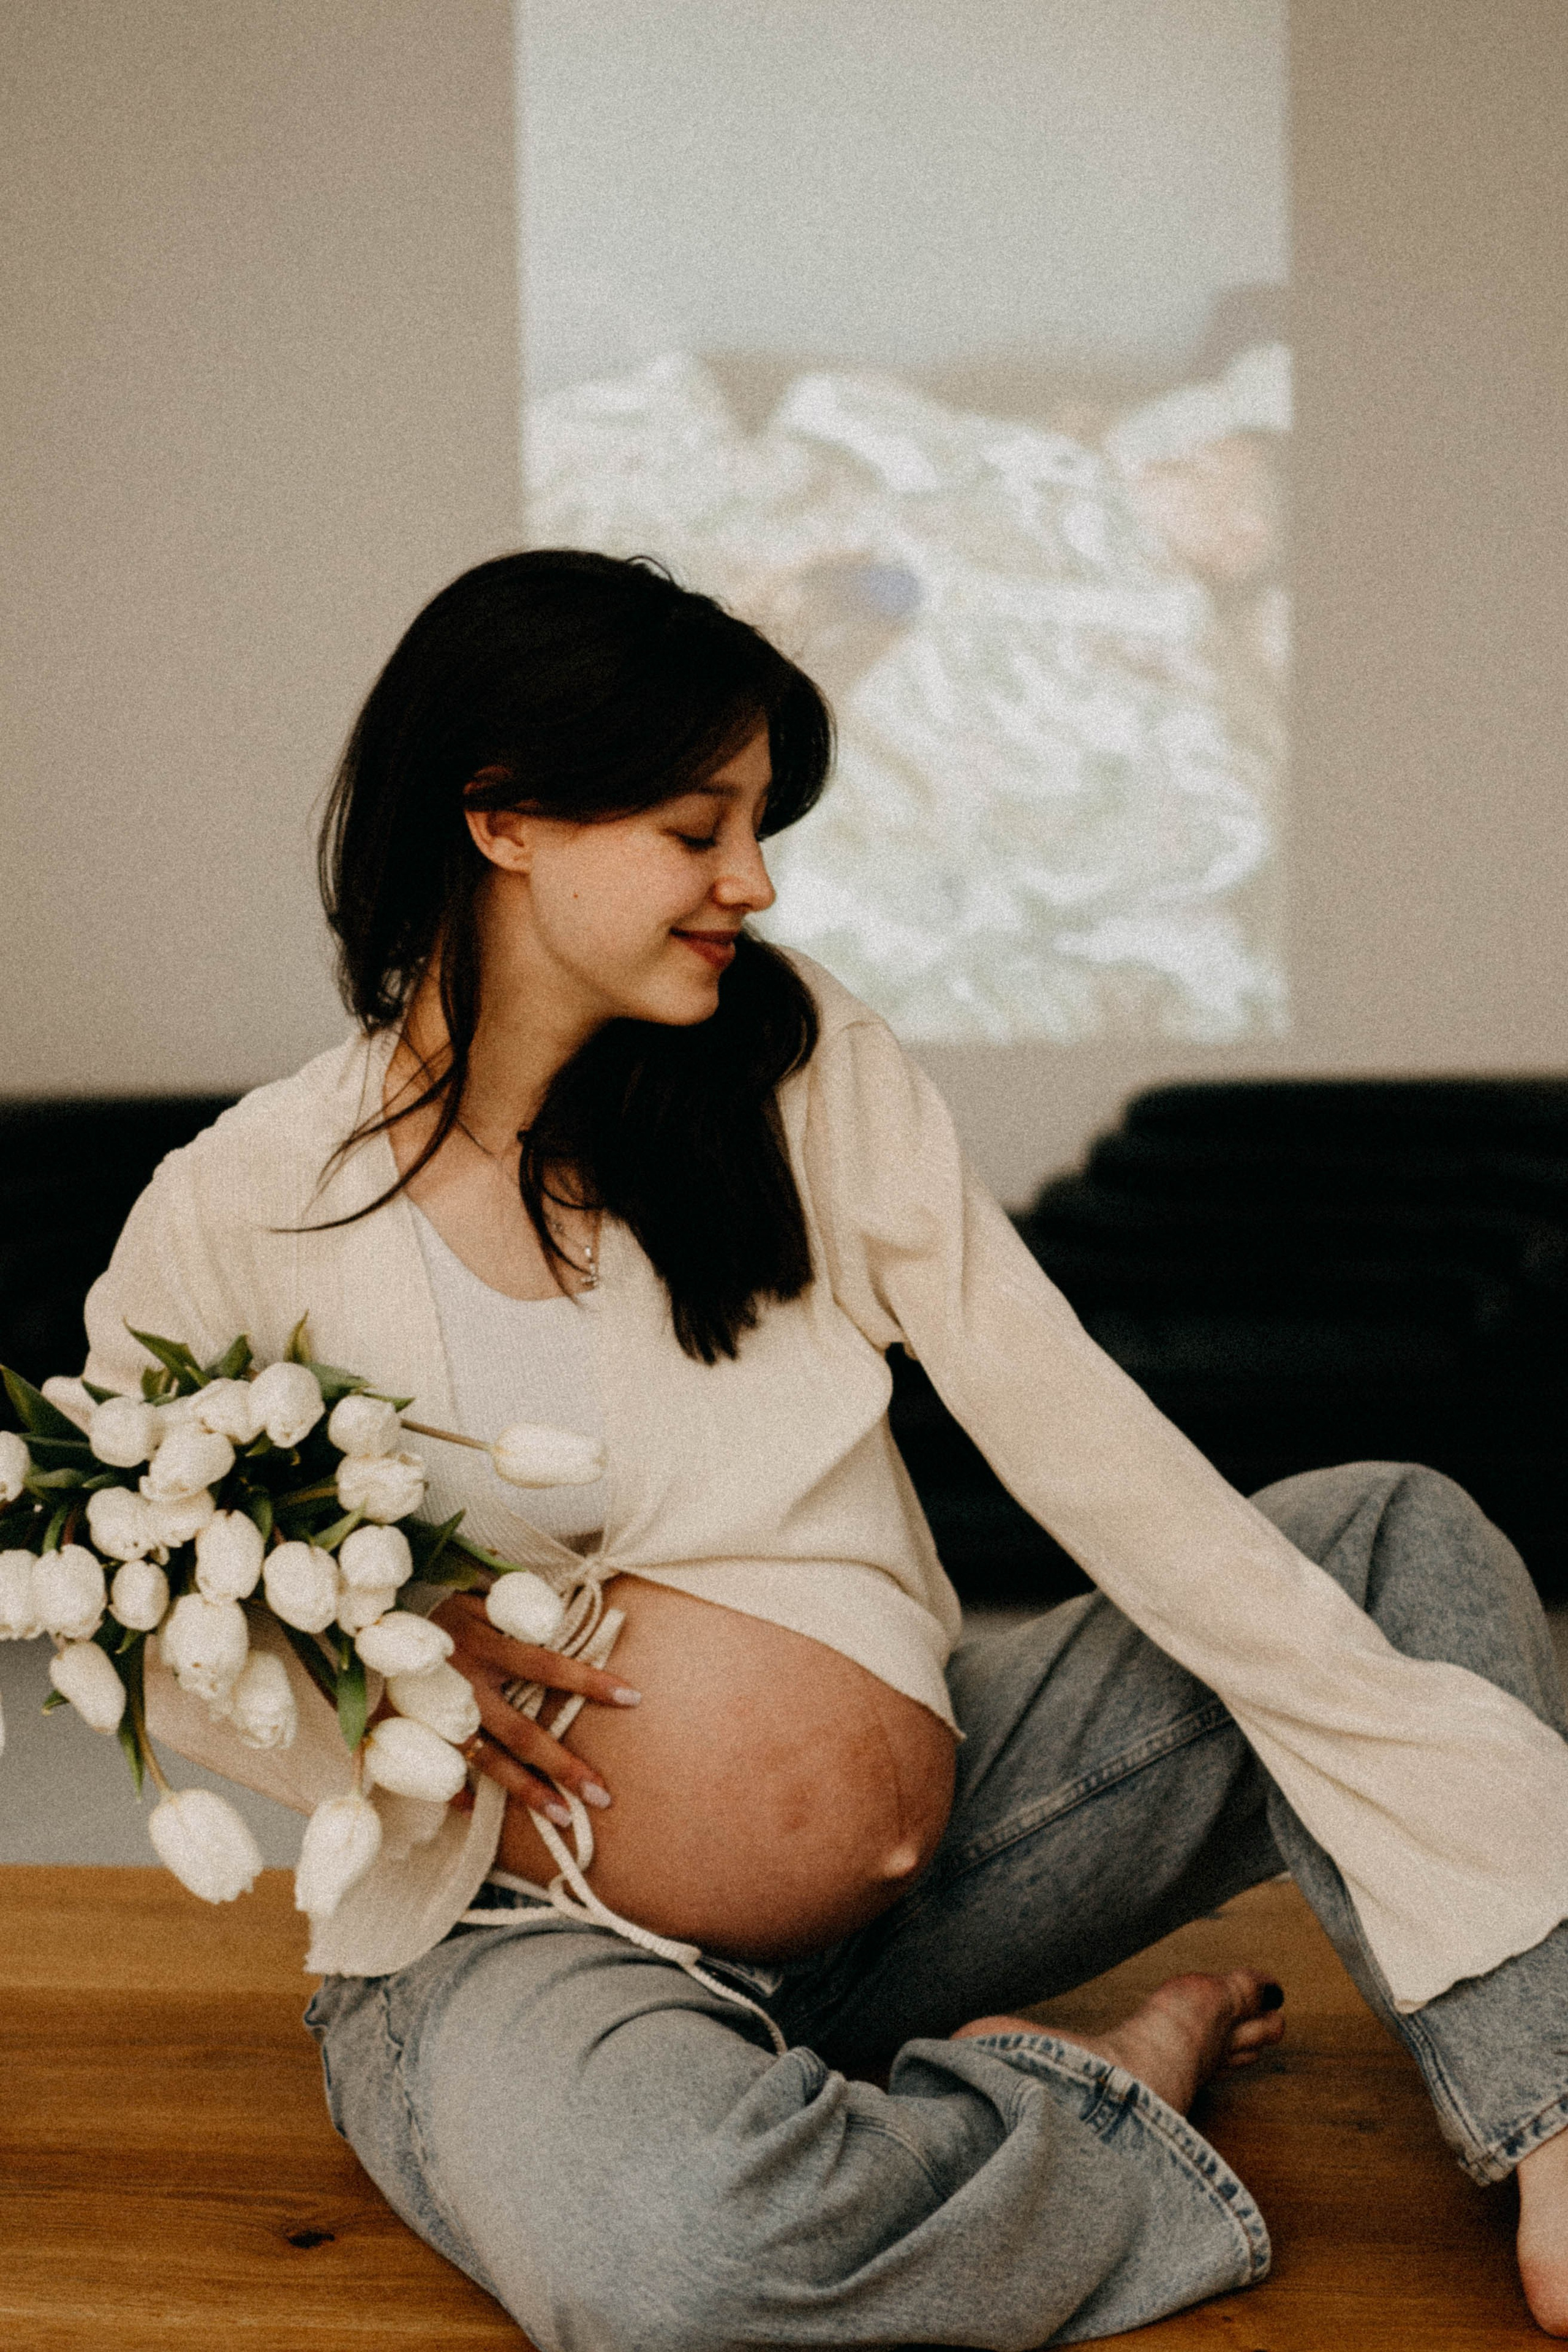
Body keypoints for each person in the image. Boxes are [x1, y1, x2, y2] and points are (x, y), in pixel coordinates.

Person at [83, 550, 1568, 2347]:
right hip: (519, 1948)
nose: (755, 882)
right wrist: (372, 1687)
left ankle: (1558, 2111)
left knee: (1391, 1538)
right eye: (700, 831)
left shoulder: (799, 1075)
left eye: (761, 828)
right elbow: (141, 1615)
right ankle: (1085, 2100)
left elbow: (1088, 1441)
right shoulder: (238, 1208)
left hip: (943, 1880)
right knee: (677, 2258)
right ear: (504, 821)